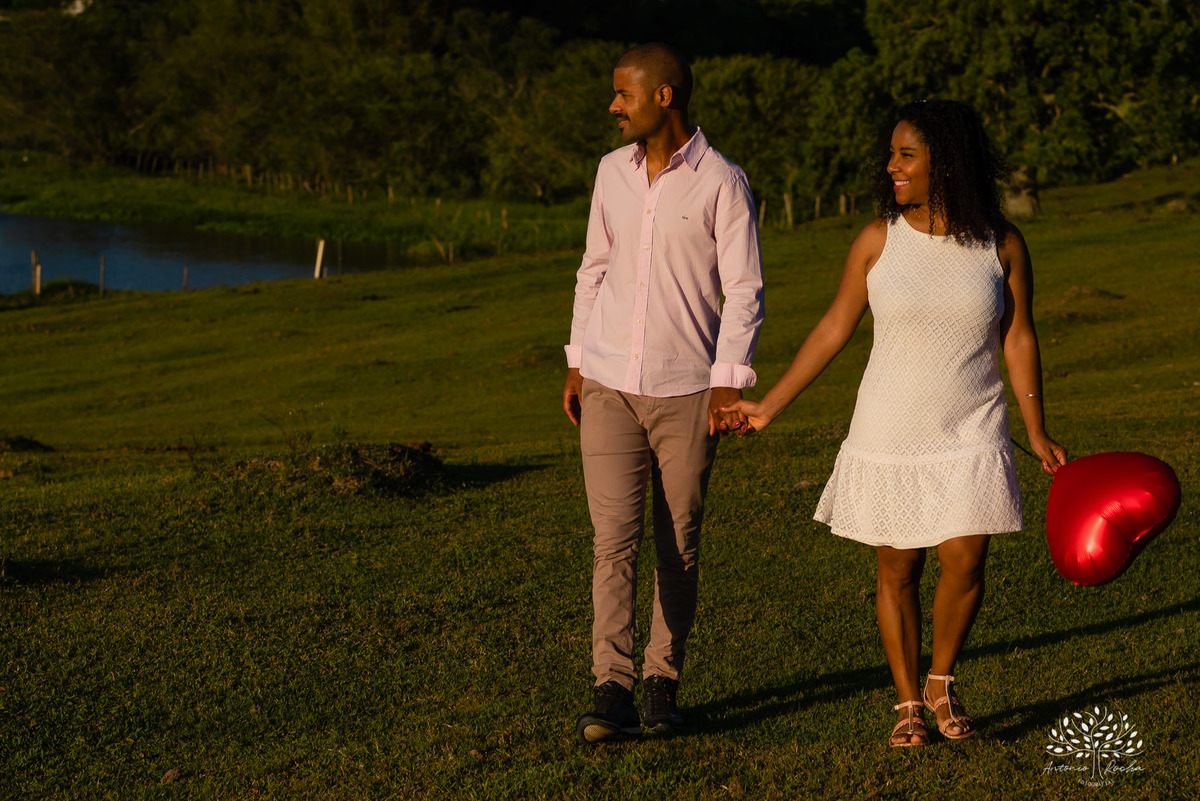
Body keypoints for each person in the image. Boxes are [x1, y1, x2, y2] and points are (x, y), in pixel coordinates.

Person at [725, 99, 1067, 747]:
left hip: (974, 422)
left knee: (965, 559)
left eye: (906, 155)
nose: (891, 167)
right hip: (891, 425)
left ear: (947, 160)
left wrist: (1038, 426)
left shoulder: (1000, 242)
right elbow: (832, 328)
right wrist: (769, 405)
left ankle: (942, 678)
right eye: (891, 154)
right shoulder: (879, 240)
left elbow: (1018, 337)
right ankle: (909, 699)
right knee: (898, 565)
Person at [563, 42, 765, 744]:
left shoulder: (722, 182)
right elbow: (594, 268)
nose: (612, 105)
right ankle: (611, 687)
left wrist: (726, 382)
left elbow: (744, 291)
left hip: (687, 392)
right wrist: (577, 360)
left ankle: (661, 683)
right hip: (610, 384)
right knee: (611, 542)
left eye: (623, 94)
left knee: (678, 544)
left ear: (663, 97)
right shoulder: (609, 175)